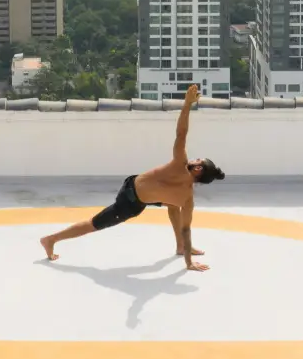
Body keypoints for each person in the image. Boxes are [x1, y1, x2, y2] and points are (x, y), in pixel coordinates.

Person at [40, 83, 224, 271]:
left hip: (143, 189)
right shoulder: (185, 187)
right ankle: (50, 239)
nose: (195, 157)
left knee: (173, 205)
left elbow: (186, 230)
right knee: (94, 224)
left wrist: (189, 263)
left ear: (198, 169)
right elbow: (182, 132)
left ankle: (181, 246)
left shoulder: (183, 184)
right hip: (130, 200)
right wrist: (186, 105)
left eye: (198, 159)